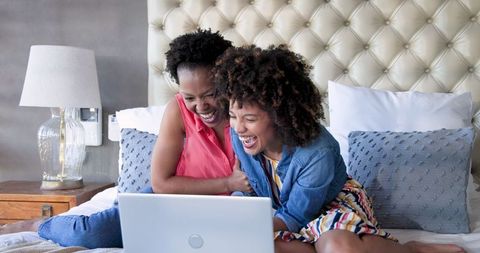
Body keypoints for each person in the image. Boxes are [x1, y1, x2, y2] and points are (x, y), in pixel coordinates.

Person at [0, 29, 250, 248]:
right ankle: (41, 225)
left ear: (227, 82)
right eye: (190, 97)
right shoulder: (177, 111)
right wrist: (228, 183)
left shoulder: (250, 114)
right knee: (91, 233)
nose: (201, 106)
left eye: (210, 94)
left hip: (225, 212)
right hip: (168, 204)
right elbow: (161, 183)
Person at [213, 45, 465, 253]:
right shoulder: (242, 137)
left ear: (279, 116)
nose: (238, 128)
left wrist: (250, 227)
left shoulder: (317, 150)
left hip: (332, 203)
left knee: (336, 247)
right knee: (260, 246)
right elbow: (259, 194)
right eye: (233, 116)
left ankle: (410, 250)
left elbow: (295, 217)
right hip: (286, 210)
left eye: (249, 119)